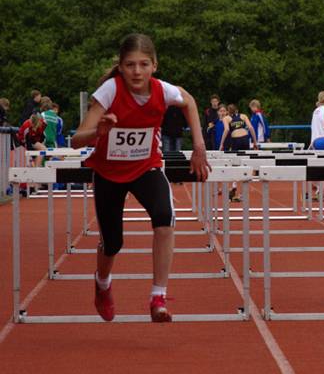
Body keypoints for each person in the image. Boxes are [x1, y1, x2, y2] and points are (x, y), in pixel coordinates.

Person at [71, 33, 210, 323]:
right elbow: (76, 140)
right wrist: (98, 131)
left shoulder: (163, 90)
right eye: (130, 65)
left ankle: (158, 296)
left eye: (143, 64)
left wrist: (198, 146)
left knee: (165, 218)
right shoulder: (110, 90)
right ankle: (102, 283)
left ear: (154, 66)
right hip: (109, 171)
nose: (137, 71)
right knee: (112, 243)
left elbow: (190, 102)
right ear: (120, 67)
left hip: (146, 166)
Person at [219, 103, 258, 201]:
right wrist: (255, 142)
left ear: (228, 111)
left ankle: (234, 186)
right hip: (245, 139)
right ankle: (242, 191)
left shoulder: (226, 118)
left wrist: (221, 144)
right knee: (245, 164)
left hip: (235, 140)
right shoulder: (243, 116)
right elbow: (251, 128)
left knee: (235, 165)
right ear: (237, 110)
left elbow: (227, 130)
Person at [309, 91, 324, 201]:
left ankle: (322, 190)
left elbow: (313, 128)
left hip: (316, 140)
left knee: (317, 167)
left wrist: (311, 143)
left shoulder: (316, 111)